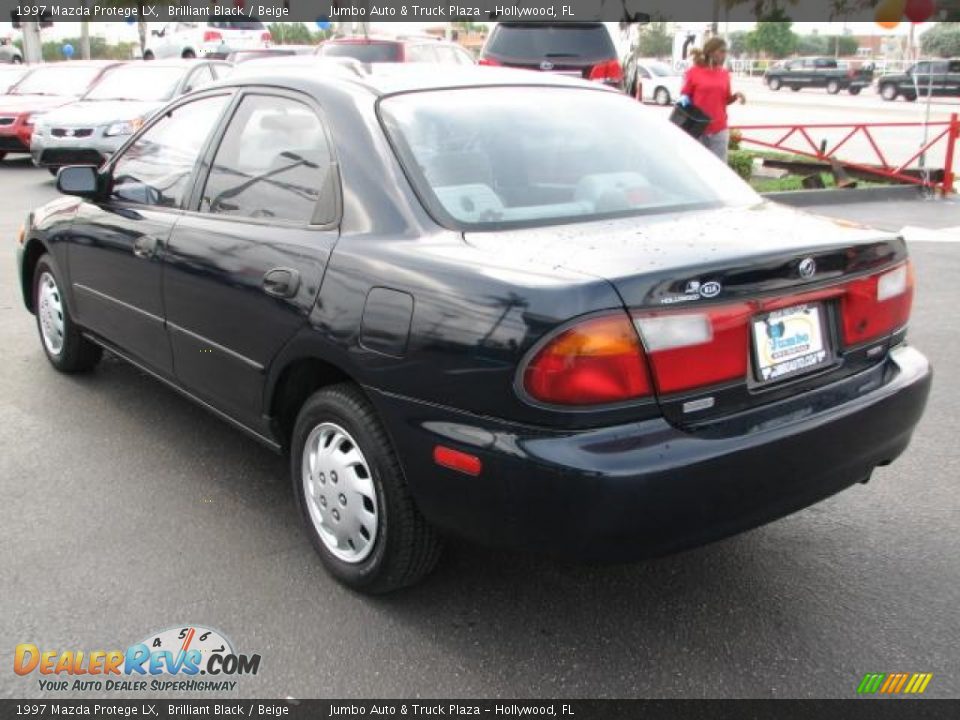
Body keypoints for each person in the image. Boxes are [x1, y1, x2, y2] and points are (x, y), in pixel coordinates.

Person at [679, 37, 746, 163]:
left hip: (719, 129)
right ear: (711, 52)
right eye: (721, 51)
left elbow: (725, 100)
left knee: (719, 169)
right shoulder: (693, 72)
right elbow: (684, 98)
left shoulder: (725, 74)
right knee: (697, 167)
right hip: (697, 129)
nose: (724, 55)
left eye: (726, 52)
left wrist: (736, 96)